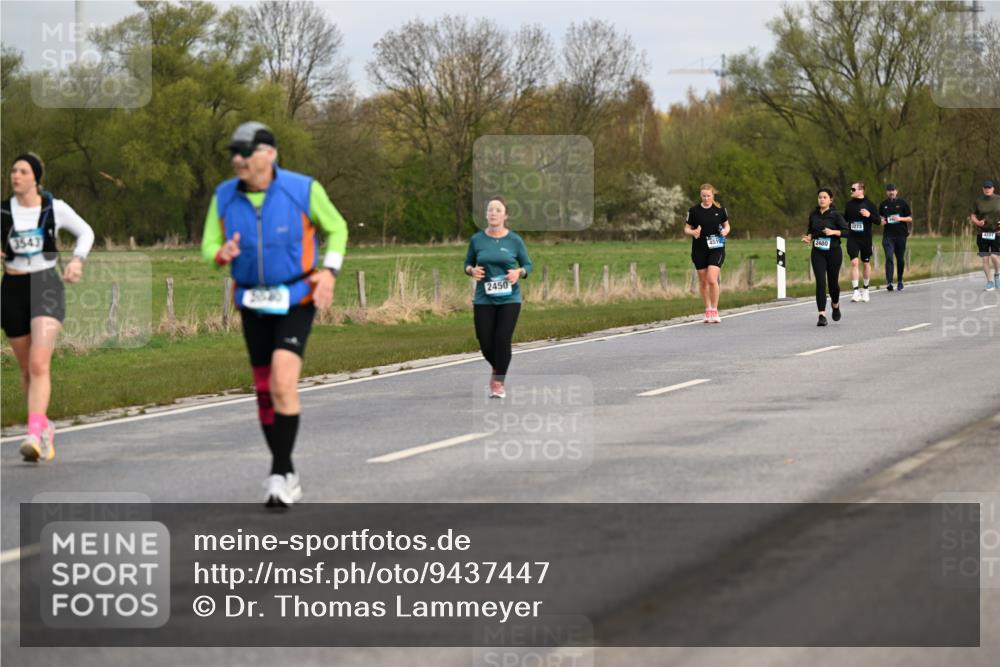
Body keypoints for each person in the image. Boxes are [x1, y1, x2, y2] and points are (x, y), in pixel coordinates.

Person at [201, 122, 348, 508]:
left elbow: (337, 228)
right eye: (234, 151)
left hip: (297, 296)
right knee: (265, 392)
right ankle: (286, 469)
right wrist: (222, 255)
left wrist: (329, 272)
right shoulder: (224, 197)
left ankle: (280, 473)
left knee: (283, 382)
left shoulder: (302, 189)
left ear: (269, 154)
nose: (238, 159)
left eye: (246, 151)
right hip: (251, 302)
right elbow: (209, 246)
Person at [1, 152, 94, 462]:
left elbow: (86, 232)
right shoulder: (2, 212)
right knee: (27, 368)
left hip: (46, 285)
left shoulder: (55, 208)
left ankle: (32, 433)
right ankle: (44, 428)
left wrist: (77, 261)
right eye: (13, 170)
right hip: (12, 289)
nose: (15, 176)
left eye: (23, 171)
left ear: (36, 178)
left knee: (40, 364)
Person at [464, 196, 532, 399]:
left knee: (502, 339)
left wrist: (518, 272)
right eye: (490, 209)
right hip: (484, 297)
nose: (493, 213)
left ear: (505, 215)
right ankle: (498, 366)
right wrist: (471, 270)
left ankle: (498, 382)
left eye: (498, 210)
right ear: (486, 214)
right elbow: (467, 263)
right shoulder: (477, 240)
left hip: (510, 298)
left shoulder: (514, 240)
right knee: (485, 341)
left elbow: (528, 265)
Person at [683, 183, 731, 323]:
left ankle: (715, 310)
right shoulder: (693, 211)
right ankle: (708, 309)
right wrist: (693, 232)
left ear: (713, 195)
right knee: (703, 282)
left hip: (716, 248)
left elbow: (727, 225)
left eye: (708, 196)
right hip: (699, 249)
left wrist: (725, 231)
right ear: (700, 195)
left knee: (712, 279)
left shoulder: (720, 210)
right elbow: (686, 229)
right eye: (703, 196)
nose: (706, 198)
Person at [802, 188, 848, 326]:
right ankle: (821, 315)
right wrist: (809, 237)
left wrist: (833, 232)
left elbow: (847, 232)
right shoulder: (813, 214)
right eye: (820, 197)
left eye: (824, 197)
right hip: (818, 252)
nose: (821, 199)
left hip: (834, 252)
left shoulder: (836, 215)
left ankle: (835, 304)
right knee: (821, 283)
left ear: (830, 200)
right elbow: (811, 230)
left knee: (833, 284)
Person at [844, 181, 878, 302]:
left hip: (866, 239)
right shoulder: (849, 205)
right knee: (854, 263)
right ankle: (855, 291)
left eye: (853, 189)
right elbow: (844, 220)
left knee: (866, 263)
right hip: (853, 237)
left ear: (861, 191)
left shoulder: (869, 204)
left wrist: (869, 215)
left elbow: (878, 221)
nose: (851, 191)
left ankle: (866, 289)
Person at [878, 183, 913, 291]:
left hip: (901, 235)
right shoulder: (883, 204)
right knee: (889, 257)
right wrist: (881, 221)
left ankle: (900, 280)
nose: (891, 192)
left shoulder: (902, 203)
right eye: (889, 190)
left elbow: (910, 218)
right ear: (886, 192)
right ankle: (889, 282)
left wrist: (900, 219)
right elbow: (880, 217)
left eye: (893, 190)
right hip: (888, 235)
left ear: (896, 191)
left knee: (900, 259)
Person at [970, 179, 1000, 291]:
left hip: (996, 232)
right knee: (985, 259)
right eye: (985, 188)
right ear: (983, 189)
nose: (987, 189)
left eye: (989, 187)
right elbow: (973, 215)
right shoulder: (978, 201)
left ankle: (997, 273)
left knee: (994, 257)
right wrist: (977, 222)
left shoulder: (998, 200)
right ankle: (989, 282)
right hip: (982, 233)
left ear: (993, 188)